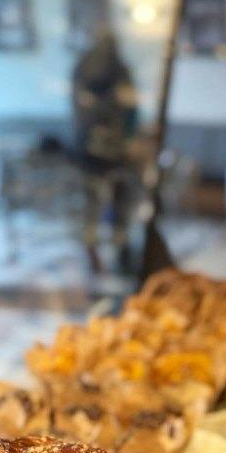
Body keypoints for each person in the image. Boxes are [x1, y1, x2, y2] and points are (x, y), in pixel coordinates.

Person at [71, 29, 139, 275]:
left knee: (115, 199)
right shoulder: (87, 70)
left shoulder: (103, 70)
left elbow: (130, 108)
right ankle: (97, 245)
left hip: (106, 149)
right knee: (96, 200)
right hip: (98, 149)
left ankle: (117, 244)